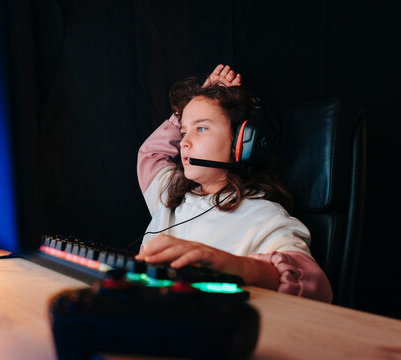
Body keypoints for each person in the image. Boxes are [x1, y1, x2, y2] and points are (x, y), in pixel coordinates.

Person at [135, 64, 332, 302]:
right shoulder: (171, 191)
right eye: (184, 131)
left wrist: (239, 266)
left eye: (201, 128)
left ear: (242, 142)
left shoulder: (263, 216)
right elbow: (151, 155)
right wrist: (192, 106)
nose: (184, 142)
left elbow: (315, 286)